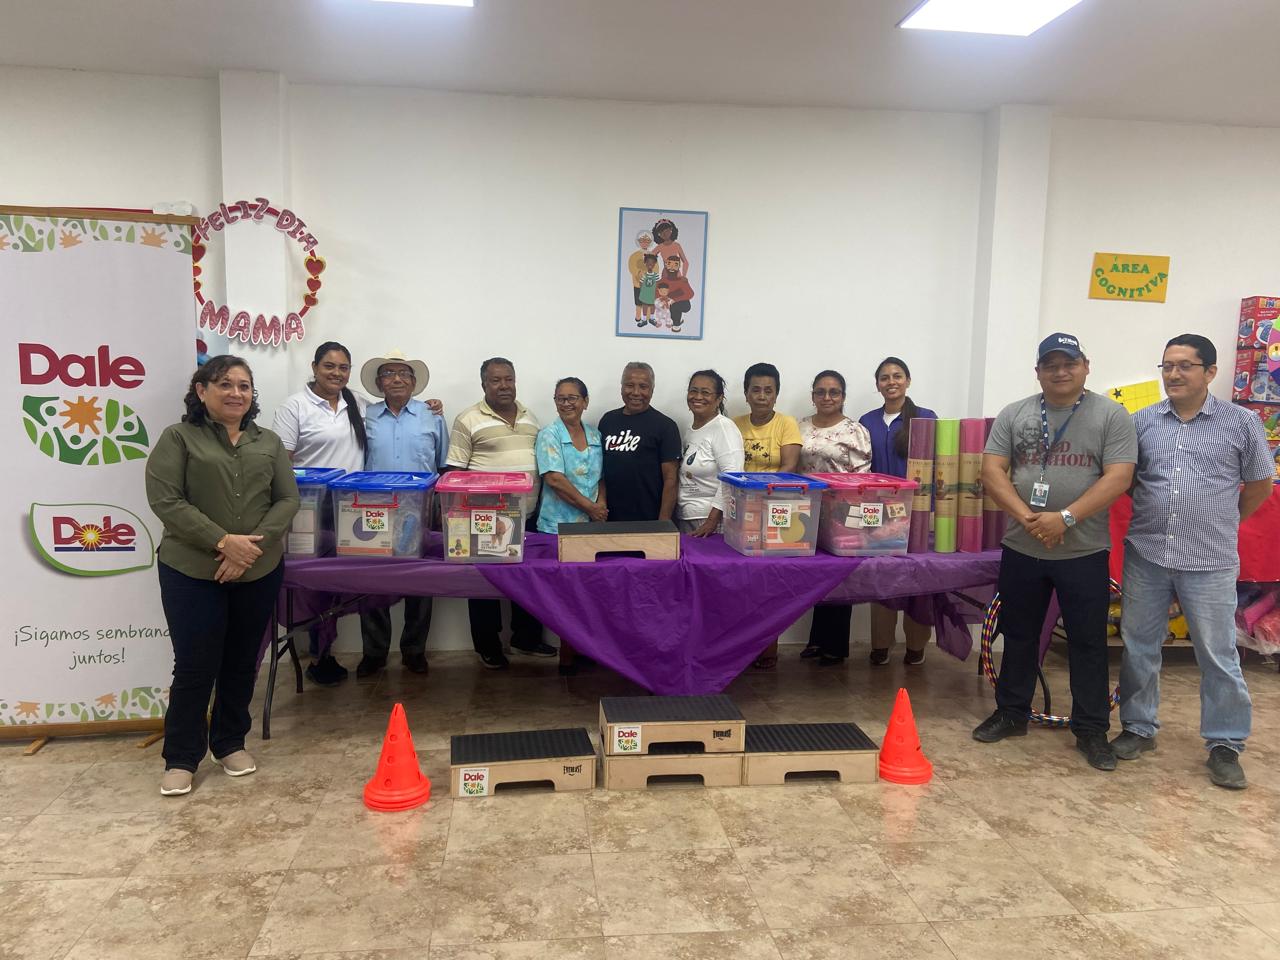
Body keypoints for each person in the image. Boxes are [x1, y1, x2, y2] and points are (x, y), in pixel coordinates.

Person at [1114, 334, 1274, 789]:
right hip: (1148, 554)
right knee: (1139, 646)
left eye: (1185, 365)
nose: (1174, 374)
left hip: (1210, 560)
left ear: (1210, 372)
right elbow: (1129, 482)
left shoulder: (1241, 423)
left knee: (1217, 653)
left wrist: (1223, 521)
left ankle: (1225, 743)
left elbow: (1260, 485)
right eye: (1167, 366)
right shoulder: (1142, 422)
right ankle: (1138, 727)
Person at [973, 333, 1136, 772]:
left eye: (1069, 363)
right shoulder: (1015, 413)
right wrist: (1029, 517)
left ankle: (1091, 729)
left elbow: (1119, 477)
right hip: (1022, 545)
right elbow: (992, 470)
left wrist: (1063, 518)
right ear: (1038, 371)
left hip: (1084, 550)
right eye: (1051, 365)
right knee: (1019, 633)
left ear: (1086, 365)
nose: (1060, 371)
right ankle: (1011, 713)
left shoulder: (1111, 415)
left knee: (1088, 641)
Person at [145, 356, 299, 797]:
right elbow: (166, 501)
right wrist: (222, 542)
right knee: (195, 664)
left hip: (258, 568)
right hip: (191, 570)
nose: (236, 393)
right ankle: (181, 757)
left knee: (242, 659)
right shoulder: (178, 438)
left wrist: (248, 550)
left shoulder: (268, 442)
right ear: (201, 390)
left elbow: (286, 500)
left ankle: (229, 743)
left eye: (244, 386)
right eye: (225, 384)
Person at [447, 358, 554, 668]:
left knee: (528, 578)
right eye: (496, 380)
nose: (504, 386)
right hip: (484, 517)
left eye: (509, 379)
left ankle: (526, 638)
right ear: (484, 385)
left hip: (527, 516)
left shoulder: (530, 417)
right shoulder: (468, 419)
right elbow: (454, 472)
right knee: (484, 582)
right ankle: (488, 645)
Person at [272, 341, 367, 687]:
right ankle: (318, 655)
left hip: (353, 506)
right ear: (314, 368)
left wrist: (432, 405)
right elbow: (282, 462)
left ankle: (325, 651)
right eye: (329, 366)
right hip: (310, 507)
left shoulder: (357, 403)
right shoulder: (295, 406)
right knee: (315, 585)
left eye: (343, 367)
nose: (336, 373)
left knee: (345, 584)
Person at [354, 349, 449, 678]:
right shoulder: (364, 416)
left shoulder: (432, 416)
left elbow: (443, 465)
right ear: (379, 383)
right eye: (388, 374)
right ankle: (374, 652)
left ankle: (414, 651)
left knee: (420, 580)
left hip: (420, 508)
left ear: (414, 381)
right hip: (373, 506)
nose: (396, 379)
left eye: (403, 373)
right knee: (371, 581)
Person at [857, 357, 938, 665]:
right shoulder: (867, 421)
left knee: (920, 578)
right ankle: (881, 644)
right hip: (877, 511)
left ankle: (916, 645)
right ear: (877, 384)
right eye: (884, 377)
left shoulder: (925, 418)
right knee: (882, 578)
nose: (891, 382)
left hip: (918, 511)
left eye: (897, 376)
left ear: (908, 380)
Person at [798, 370, 872, 665]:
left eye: (834, 392)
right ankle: (817, 639)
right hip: (807, 510)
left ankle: (836, 645)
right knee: (815, 575)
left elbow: (863, 474)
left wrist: (851, 509)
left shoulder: (855, 430)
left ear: (843, 396)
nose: (827, 397)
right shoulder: (800, 426)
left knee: (840, 577)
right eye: (820, 391)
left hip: (843, 510)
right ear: (812, 396)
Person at [734, 362, 803, 669]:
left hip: (777, 510)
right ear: (746, 393)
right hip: (740, 512)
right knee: (740, 583)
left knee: (768, 585)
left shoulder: (786, 424)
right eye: (756, 390)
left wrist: (760, 496)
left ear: (776, 394)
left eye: (768, 390)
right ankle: (740, 649)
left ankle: (767, 650)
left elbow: (789, 467)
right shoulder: (734, 424)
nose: (762, 396)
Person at [599, 361, 682, 522]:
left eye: (643, 386)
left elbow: (671, 480)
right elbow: (599, 470)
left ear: (652, 390)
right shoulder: (607, 421)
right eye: (629, 385)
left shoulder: (666, 426)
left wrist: (663, 523)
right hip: (610, 519)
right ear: (621, 387)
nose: (636, 392)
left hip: (649, 519)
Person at [678, 369, 744, 536]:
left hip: (712, 522)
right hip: (687, 517)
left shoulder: (724, 428)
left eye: (705, 392)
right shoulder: (691, 429)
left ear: (719, 398)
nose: (698, 397)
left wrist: (711, 521)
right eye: (693, 391)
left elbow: (733, 476)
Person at [537, 377, 606, 530]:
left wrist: (601, 506)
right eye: (561, 399)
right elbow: (555, 480)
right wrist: (590, 508)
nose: (566, 403)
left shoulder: (595, 435)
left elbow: (601, 477)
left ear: (585, 402)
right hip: (556, 526)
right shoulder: (549, 435)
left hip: (592, 522)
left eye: (572, 398)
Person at [627, 230, 654, 327]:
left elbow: (656, 267)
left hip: (649, 284)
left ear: (650, 242)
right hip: (638, 283)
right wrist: (638, 273)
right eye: (642, 241)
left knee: (648, 301)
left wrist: (651, 275)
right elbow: (631, 267)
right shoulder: (634, 255)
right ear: (638, 242)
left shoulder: (652, 255)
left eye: (647, 241)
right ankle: (638, 316)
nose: (645, 243)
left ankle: (647, 317)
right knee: (638, 302)